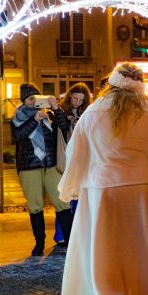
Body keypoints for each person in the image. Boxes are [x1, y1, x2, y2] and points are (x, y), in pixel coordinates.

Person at [58, 63, 148, 295]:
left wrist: (71, 185)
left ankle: (104, 294)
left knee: (103, 250)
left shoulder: (96, 109)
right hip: (141, 189)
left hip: (102, 188)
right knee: (141, 250)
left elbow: (77, 150)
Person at [11, 83, 73, 256]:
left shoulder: (50, 115)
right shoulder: (18, 117)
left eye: (37, 98)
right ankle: (39, 244)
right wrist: (34, 120)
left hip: (52, 164)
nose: (34, 101)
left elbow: (65, 127)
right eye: (31, 99)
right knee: (35, 206)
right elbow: (18, 135)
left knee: (62, 202)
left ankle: (70, 241)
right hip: (29, 166)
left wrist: (55, 108)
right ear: (24, 101)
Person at [54, 82, 92, 245]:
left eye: (81, 100)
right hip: (65, 154)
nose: (77, 102)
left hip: (81, 156)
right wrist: (68, 121)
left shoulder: (88, 113)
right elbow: (60, 129)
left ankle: (77, 233)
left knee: (78, 197)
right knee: (63, 196)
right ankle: (61, 234)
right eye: (75, 98)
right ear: (70, 96)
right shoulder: (61, 110)